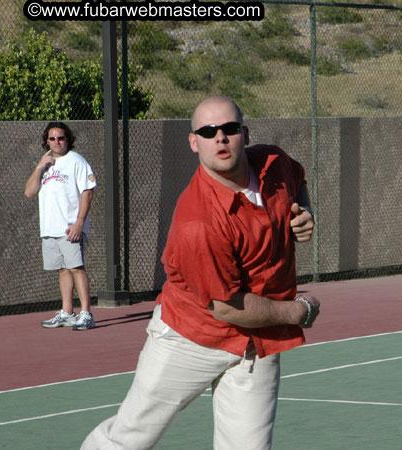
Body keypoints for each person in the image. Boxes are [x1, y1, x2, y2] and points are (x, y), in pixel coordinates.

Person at [81, 95, 320, 450]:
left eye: (229, 128)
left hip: (257, 343)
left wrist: (303, 213)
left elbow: (297, 180)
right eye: (208, 132)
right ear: (194, 142)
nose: (220, 138)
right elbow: (226, 307)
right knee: (129, 438)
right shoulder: (198, 220)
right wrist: (299, 311)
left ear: (245, 133)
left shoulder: (275, 162)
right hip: (190, 338)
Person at [25, 122, 97, 331]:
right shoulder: (45, 164)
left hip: (70, 228)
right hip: (50, 228)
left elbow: (88, 192)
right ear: (46, 141)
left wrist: (79, 223)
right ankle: (67, 312)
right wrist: (39, 166)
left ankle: (86, 314)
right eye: (52, 139)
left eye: (61, 138)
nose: (57, 142)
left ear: (68, 139)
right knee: (63, 270)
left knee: (76, 267)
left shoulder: (76, 161)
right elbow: (29, 192)